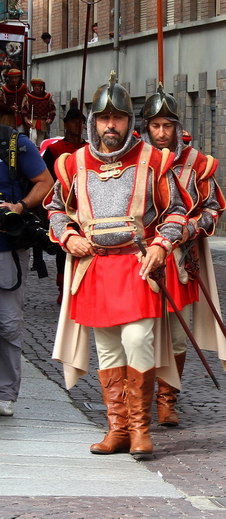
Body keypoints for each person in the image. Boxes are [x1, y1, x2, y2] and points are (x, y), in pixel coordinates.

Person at [46, 71, 188, 459]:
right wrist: (68, 236)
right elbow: (56, 209)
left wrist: (162, 244)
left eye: (119, 118)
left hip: (137, 264)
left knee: (138, 340)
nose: (112, 125)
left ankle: (141, 429)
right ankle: (118, 429)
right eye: (105, 118)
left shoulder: (155, 161)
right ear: (94, 122)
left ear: (129, 122)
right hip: (95, 267)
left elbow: (176, 213)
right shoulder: (72, 164)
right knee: (108, 351)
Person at [140, 84, 226, 427]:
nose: (162, 133)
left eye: (168, 126)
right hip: (142, 259)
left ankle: (167, 398)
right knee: (141, 332)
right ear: (145, 127)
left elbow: (212, 208)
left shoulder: (197, 164)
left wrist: (190, 230)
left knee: (177, 334)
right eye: (155, 125)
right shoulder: (133, 163)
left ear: (178, 127)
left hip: (180, 262)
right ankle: (139, 398)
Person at [0, 120, 55, 417]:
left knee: (8, 324)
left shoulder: (15, 144)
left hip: (6, 248)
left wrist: (19, 207)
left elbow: (46, 182)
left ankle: (5, 393)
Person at [41, 99, 87, 295]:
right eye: (74, 122)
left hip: (84, 204)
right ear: (66, 124)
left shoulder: (89, 149)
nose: (79, 125)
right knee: (63, 245)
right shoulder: (54, 150)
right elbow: (47, 179)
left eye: (81, 122)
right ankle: (63, 287)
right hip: (63, 202)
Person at [21, 78, 56, 145]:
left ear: (41, 87)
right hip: (32, 121)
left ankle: (39, 153)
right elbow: (24, 110)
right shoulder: (28, 97)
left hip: (43, 122)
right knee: (33, 138)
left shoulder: (48, 96)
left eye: (38, 86)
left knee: (40, 141)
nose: (36, 88)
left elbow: (52, 109)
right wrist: (26, 120)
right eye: (35, 86)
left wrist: (50, 119)